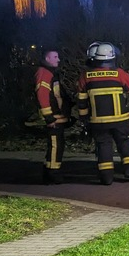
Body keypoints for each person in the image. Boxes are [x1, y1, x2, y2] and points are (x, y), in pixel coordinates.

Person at [76, 41, 129, 185]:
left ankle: (106, 177)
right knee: (125, 143)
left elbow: (81, 100)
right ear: (112, 58)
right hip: (120, 119)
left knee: (103, 146)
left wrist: (84, 118)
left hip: (98, 121)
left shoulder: (85, 76)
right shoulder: (119, 73)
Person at [34, 47, 71, 185]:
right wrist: (49, 117)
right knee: (56, 145)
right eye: (55, 57)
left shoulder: (49, 73)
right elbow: (42, 95)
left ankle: (49, 171)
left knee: (56, 144)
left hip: (56, 116)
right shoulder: (44, 73)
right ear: (47, 58)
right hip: (53, 117)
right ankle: (53, 173)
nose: (58, 59)